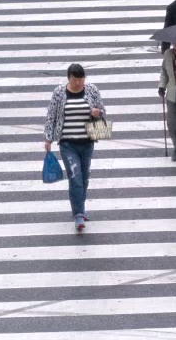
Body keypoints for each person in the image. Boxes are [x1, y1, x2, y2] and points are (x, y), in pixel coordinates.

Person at [44, 64, 106, 231]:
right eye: (75, 80)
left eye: (81, 80)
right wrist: (48, 139)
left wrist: (97, 113)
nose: (78, 83)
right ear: (68, 79)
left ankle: (81, 207)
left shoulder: (92, 90)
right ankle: (78, 214)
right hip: (67, 144)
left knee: (84, 178)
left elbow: (103, 111)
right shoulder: (59, 93)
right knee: (75, 177)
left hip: (87, 142)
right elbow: (51, 115)